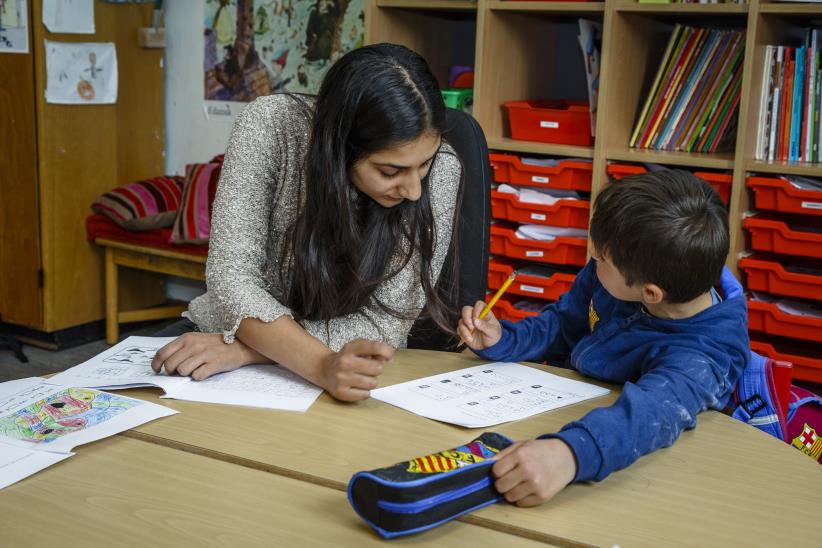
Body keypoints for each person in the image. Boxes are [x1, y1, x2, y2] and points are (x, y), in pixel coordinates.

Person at [152, 44, 462, 401]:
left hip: (345, 361)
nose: (412, 190)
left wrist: (250, 353)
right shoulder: (270, 125)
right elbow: (231, 278)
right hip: (218, 333)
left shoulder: (444, 169)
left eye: (424, 164)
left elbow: (387, 322)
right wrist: (317, 363)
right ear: (338, 146)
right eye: (390, 171)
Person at [458, 170, 749, 507]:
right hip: (569, 409)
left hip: (656, 480)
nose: (593, 257)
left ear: (650, 293)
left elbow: (649, 415)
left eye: (601, 258)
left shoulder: (704, 354)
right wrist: (504, 339)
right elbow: (564, 324)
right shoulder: (622, 274)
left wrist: (568, 453)